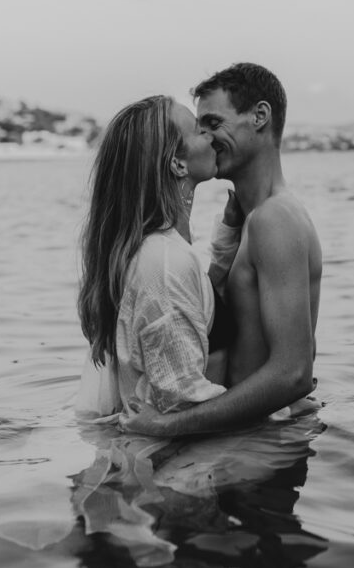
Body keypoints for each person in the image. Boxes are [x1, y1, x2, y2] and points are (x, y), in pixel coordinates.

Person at [120, 62, 323, 437]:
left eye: (214, 124)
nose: (208, 138)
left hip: (259, 450)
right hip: (241, 439)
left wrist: (168, 426)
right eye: (200, 128)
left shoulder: (274, 219)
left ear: (260, 116)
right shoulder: (250, 219)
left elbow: (294, 374)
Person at [75, 94, 241, 418]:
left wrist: (227, 238)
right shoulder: (164, 264)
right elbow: (182, 407)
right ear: (177, 163)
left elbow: (194, 306)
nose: (212, 135)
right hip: (181, 467)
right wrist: (280, 409)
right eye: (198, 130)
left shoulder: (159, 251)